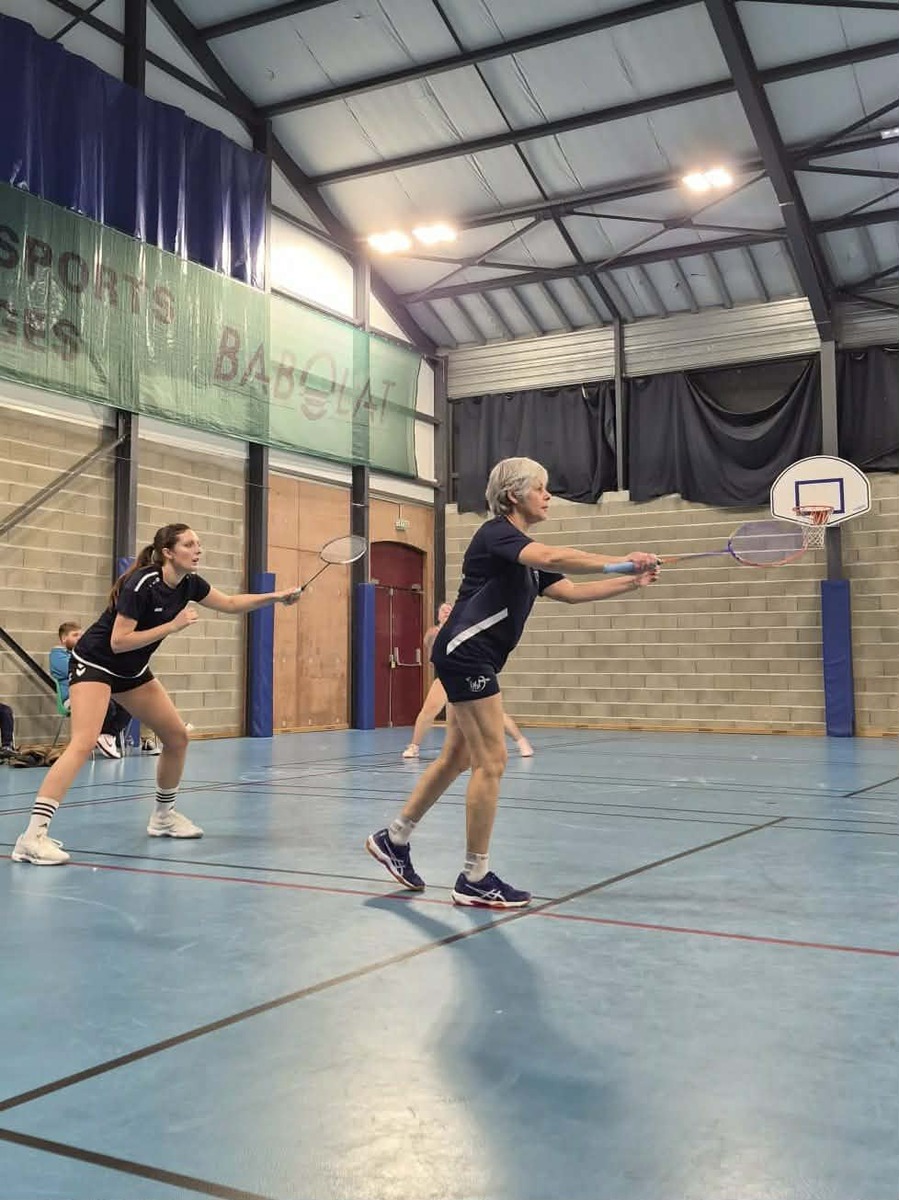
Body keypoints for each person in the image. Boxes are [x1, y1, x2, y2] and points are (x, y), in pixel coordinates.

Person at [367, 456, 659, 909]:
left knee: (457, 757)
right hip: (468, 653)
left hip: (471, 655)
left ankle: (395, 838)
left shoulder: (525, 556)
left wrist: (632, 581)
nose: (548, 496)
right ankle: (474, 877)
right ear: (512, 495)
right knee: (493, 761)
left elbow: (570, 592)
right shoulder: (497, 535)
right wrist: (622, 561)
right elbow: (555, 556)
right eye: (540, 488)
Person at [11, 523, 301, 865]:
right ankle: (32, 837)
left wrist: (276, 597)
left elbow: (231, 603)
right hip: (96, 663)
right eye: (189, 544)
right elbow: (119, 642)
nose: (198, 549)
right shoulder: (142, 583)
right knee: (83, 743)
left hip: (132, 671)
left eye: (199, 543)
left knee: (176, 737)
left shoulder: (190, 583)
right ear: (168, 552)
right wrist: (172, 626)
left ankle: (163, 817)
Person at [402, 602, 534, 759]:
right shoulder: (434, 633)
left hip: (469, 675)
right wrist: (433, 638)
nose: (446, 611)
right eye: (443, 610)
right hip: (446, 677)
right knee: (428, 711)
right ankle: (414, 746)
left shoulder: (464, 628)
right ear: (438, 616)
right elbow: (431, 657)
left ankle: (521, 740)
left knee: (492, 713)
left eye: (449, 609)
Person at [51, 621, 132, 760]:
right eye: (75, 635)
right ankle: (101, 737)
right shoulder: (57, 655)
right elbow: (79, 670)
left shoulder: (82, 654)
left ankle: (107, 735)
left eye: (81, 635)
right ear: (64, 638)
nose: (80, 638)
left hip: (93, 695)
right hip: (72, 699)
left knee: (128, 704)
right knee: (106, 705)